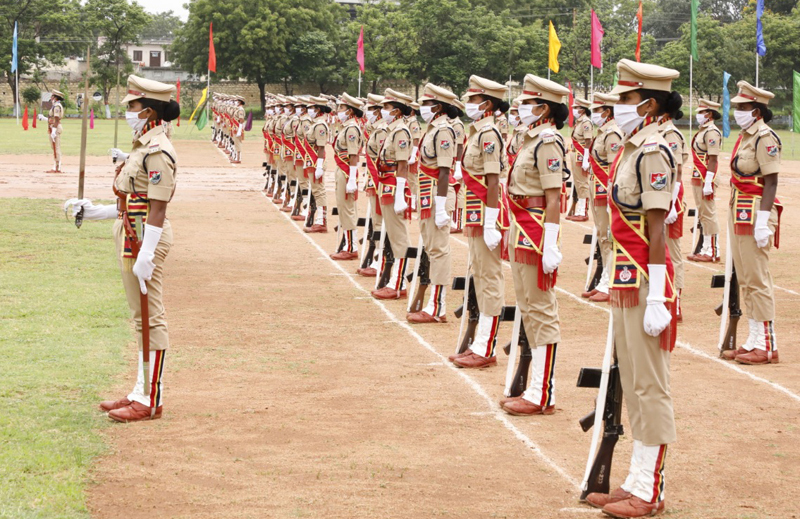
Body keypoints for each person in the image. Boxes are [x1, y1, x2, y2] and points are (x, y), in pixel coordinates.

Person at [583, 59, 680, 517]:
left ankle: (651, 488)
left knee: (649, 383)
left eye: (624, 98)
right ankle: (636, 479)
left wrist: (659, 294)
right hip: (627, 276)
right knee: (633, 380)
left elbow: (658, 227)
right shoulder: (632, 146)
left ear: (648, 102)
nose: (617, 106)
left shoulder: (654, 150)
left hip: (646, 278)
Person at [64, 75, 180, 423]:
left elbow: (158, 208)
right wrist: (97, 211)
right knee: (139, 319)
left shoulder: (158, 150)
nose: (127, 110)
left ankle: (150, 398)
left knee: (150, 317)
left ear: (149, 110)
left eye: (131, 106)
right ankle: (139, 390)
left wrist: (147, 253)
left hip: (146, 237)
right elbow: (133, 200)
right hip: (133, 232)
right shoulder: (143, 146)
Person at [498, 75, 569, 416]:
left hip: (537, 229)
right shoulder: (531, 140)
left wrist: (552, 243)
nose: (521, 108)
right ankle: (535, 386)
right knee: (527, 305)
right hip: (520, 225)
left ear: (544, 108)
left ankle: (544, 391)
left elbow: (554, 197)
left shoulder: (548, 142)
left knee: (540, 308)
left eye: (528, 103)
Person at [449, 75, 509, 369]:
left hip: (485, 213)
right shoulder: (479, 132)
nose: (467, 104)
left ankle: (486, 345)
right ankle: (480, 342)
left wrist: (490, 222)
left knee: (488, 278)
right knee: (480, 276)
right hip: (476, 211)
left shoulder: (488, 134)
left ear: (486, 103)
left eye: (471, 99)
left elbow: (493, 179)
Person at [725, 81, 783, 365]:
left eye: (743, 107)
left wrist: (763, 222)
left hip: (756, 212)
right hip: (739, 211)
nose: (738, 111)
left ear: (757, 111)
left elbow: (771, 182)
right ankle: (753, 338)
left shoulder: (765, 137)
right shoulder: (746, 136)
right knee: (745, 278)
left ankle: (767, 343)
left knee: (758, 278)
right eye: (737, 107)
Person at [406, 83, 459, 323]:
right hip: (428, 195)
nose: (422, 108)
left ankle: (438, 306)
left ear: (437, 106)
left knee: (438, 250)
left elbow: (445, 171)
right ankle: (432, 302)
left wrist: (440, 207)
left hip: (438, 196)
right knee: (430, 248)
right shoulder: (432, 129)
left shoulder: (443, 131)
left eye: (426, 104)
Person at [371, 89, 415, 299]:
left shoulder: (401, 132)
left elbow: (403, 164)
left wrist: (399, 195)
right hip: (385, 183)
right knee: (391, 232)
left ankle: (398, 284)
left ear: (396, 111)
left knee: (398, 236)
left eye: (386, 108)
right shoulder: (392, 130)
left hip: (394, 184)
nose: (383, 111)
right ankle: (394, 279)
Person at [582, 93, 623, 303]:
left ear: (607, 111)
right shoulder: (603, 132)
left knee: (608, 239)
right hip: (596, 191)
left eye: (597, 110)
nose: (594, 114)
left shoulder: (612, 133)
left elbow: (615, 168)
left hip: (605, 193)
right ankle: (604, 280)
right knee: (602, 238)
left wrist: (610, 197)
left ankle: (610, 283)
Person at [659, 101, 688, 320]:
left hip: (671, 199)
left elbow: (676, 172)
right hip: (660, 198)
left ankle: (675, 302)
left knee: (673, 253)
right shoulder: (658, 131)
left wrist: (671, 203)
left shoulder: (670, 134)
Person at [687, 99, 723, 263]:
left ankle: (713, 250)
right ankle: (705, 247)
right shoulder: (703, 131)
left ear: (708, 114)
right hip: (697, 175)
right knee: (702, 214)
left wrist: (708, 181)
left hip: (706, 176)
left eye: (701, 112)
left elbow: (713, 159)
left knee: (709, 213)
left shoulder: (712, 132)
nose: (698, 115)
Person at [330, 93, 365, 260]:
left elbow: (353, 155)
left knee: (348, 209)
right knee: (343, 208)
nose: (338, 111)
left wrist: (352, 179)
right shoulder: (346, 127)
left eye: (342, 108)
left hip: (347, 171)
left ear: (350, 111)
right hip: (342, 169)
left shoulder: (352, 129)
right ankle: (347, 243)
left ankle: (351, 247)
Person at [359, 93, 388, 276]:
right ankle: (377, 254)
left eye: (370, 108)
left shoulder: (382, 130)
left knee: (380, 220)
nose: (366, 111)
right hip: (372, 178)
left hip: (380, 179)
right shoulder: (374, 127)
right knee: (376, 220)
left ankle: (381, 257)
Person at [303, 96, 331, 233]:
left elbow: (321, 147)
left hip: (316, 161)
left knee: (319, 191)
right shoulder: (316, 123)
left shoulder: (320, 125)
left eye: (312, 108)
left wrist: (319, 165)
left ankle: (321, 221)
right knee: (316, 190)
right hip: (312, 160)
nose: (309, 110)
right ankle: (318, 219)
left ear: (318, 109)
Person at [566, 97, 593, 222]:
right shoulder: (579, 122)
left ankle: (582, 211)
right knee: (577, 182)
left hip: (581, 156)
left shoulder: (586, 122)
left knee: (582, 183)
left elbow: (588, 141)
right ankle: (578, 209)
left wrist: (586, 159)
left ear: (582, 110)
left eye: (576, 108)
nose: (574, 110)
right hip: (576, 154)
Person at [450, 99, 467, 234]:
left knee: (459, 191)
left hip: (456, 160)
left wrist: (458, 165)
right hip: (451, 160)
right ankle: (454, 221)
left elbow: (460, 146)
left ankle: (459, 223)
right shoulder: (451, 123)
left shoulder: (457, 125)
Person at [47, 90, 65, 173]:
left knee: (56, 147)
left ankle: (57, 166)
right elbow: (52, 118)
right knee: (53, 146)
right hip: (53, 126)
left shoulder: (57, 106)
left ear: (55, 97)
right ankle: (56, 165)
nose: (51, 98)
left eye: (52, 96)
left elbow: (56, 119)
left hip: (55, 127)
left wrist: (53, 131)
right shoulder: (54, 105)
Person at [231, 95, 246, 164]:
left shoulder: (240, 110)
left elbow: (241, 119)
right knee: (235, 142)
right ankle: (236, 157)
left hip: (237, 127)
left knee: (238, 143)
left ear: (240, 102)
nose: (236, 102)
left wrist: (240, 129)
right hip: (235, 126)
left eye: (237, 101)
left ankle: (238, 158)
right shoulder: (238, 109)